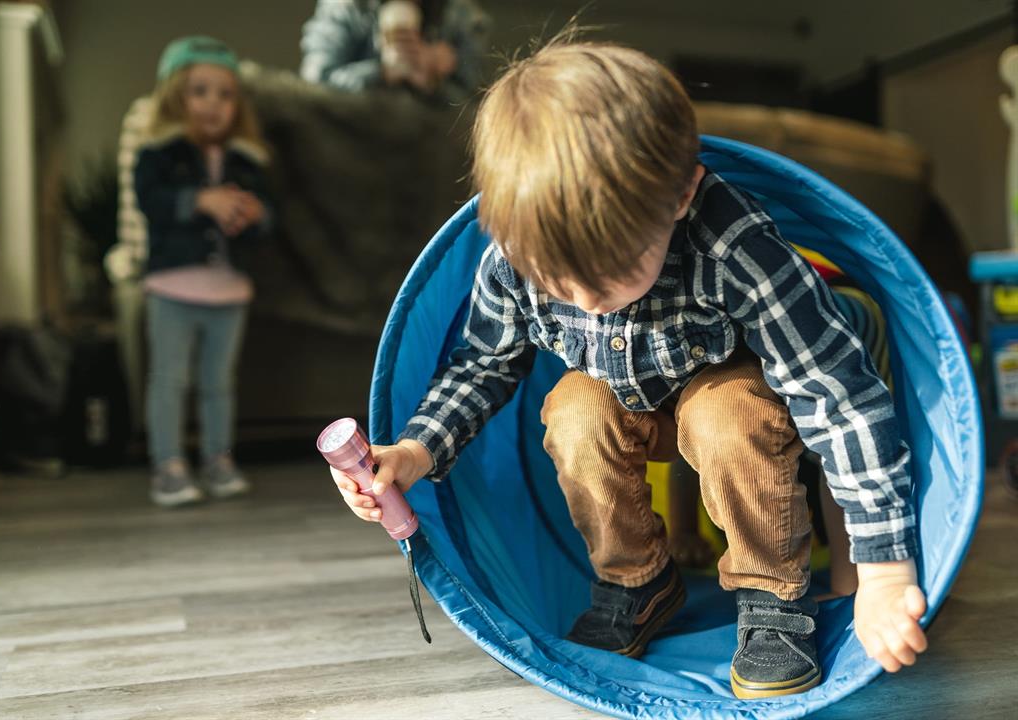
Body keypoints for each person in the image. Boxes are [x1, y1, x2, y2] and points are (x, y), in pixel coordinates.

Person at [329, 38, 927, 699]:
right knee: (573, 409)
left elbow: (835, 394)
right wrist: (414, 451)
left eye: (612, 271)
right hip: (626, 405)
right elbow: (483, 364)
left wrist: (885, 570)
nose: (584, 298)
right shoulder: (512, 256)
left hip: (737, 399)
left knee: (725, 413)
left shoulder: (732, 241)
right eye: (557, 279)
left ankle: (772, 597)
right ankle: (636, 580)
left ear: (679, 196)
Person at [135, 36, 272, 507]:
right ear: (175, 97)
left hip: (229, 290)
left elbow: (266, 221)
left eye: (225, 94)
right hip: (171, 287)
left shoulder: (247, 161)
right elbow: (150, 202)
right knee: (169, 381)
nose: (213, 104)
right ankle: (168, 465)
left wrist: (254, 216)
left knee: (219, 384)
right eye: (200, 91)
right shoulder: (157, 152)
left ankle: (219, 459)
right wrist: (200, 200)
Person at [299, 0, 489, 104]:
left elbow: (479, 105)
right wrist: (383, 73)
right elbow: (314, 86)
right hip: (353, 145)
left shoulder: (461, 15)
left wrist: (434, 80)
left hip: (431, 150)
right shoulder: (346, 8)